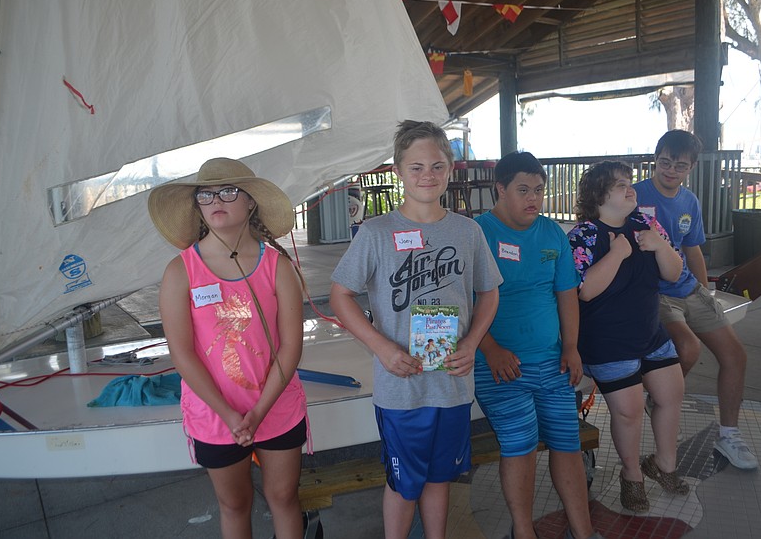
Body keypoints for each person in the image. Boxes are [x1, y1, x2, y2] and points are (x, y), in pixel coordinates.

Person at [330, 120, 501, 539]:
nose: (428, 175)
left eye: (437, 166)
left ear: (451, 168)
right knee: (404, 483)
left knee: (441, 477)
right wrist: (382, 349)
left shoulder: (468, 231)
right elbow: (341, 297)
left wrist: (473, 341)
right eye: (417, 167)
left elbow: (489, 293)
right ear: (397, 172)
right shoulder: (375, 233)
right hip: (401, 386)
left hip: (453, 384)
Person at [149, 158, 308, 539]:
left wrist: (258, 411)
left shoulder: (277, 266)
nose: (215, 199)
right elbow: (182, 353)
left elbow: (290, 347)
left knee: (283, 497)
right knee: (234, 504)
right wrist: (230, 414)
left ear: (251, 202)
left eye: (228, 191)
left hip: (276, 405)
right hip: (215, 414)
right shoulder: (180, 271)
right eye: (205, 194)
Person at [474, 152, 602, 539]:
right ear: (501, 189)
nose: (533, 198)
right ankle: (523, 531)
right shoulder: (478, 233)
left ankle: (582, 531)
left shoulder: (551, 234)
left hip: (551, 361)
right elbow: (464, 303)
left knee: (567, 438)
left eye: (539, 190)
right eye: (523, 190)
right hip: (498, 364)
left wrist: (572, 347)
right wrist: (490, 349)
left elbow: (566, 294)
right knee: (521, 439)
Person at [634, 129, 758, 470]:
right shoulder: (633, 196)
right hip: (654, 293)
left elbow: (694, 250)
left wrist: (705, 292)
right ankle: (657, 395)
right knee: (688, 349)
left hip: (688, 288)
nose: (671, 170)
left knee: (735, 355)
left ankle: (729, 435)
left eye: (680, 165)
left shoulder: (690, 202)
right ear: (655, 159)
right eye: (665, 162)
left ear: (691, 168)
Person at [568, 161, 688, 513]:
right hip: (608, 341)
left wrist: (660, 246)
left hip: (649, 332)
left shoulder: (645, 225)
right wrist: (619, 253)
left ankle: (664, 465)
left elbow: (674, 272)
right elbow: (584, 290)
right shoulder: (584, 235)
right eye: (619, 184)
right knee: (630, 410)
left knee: (671, 392)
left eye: (629, 182)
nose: (629, 188)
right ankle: (632, 474)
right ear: (599, 196)